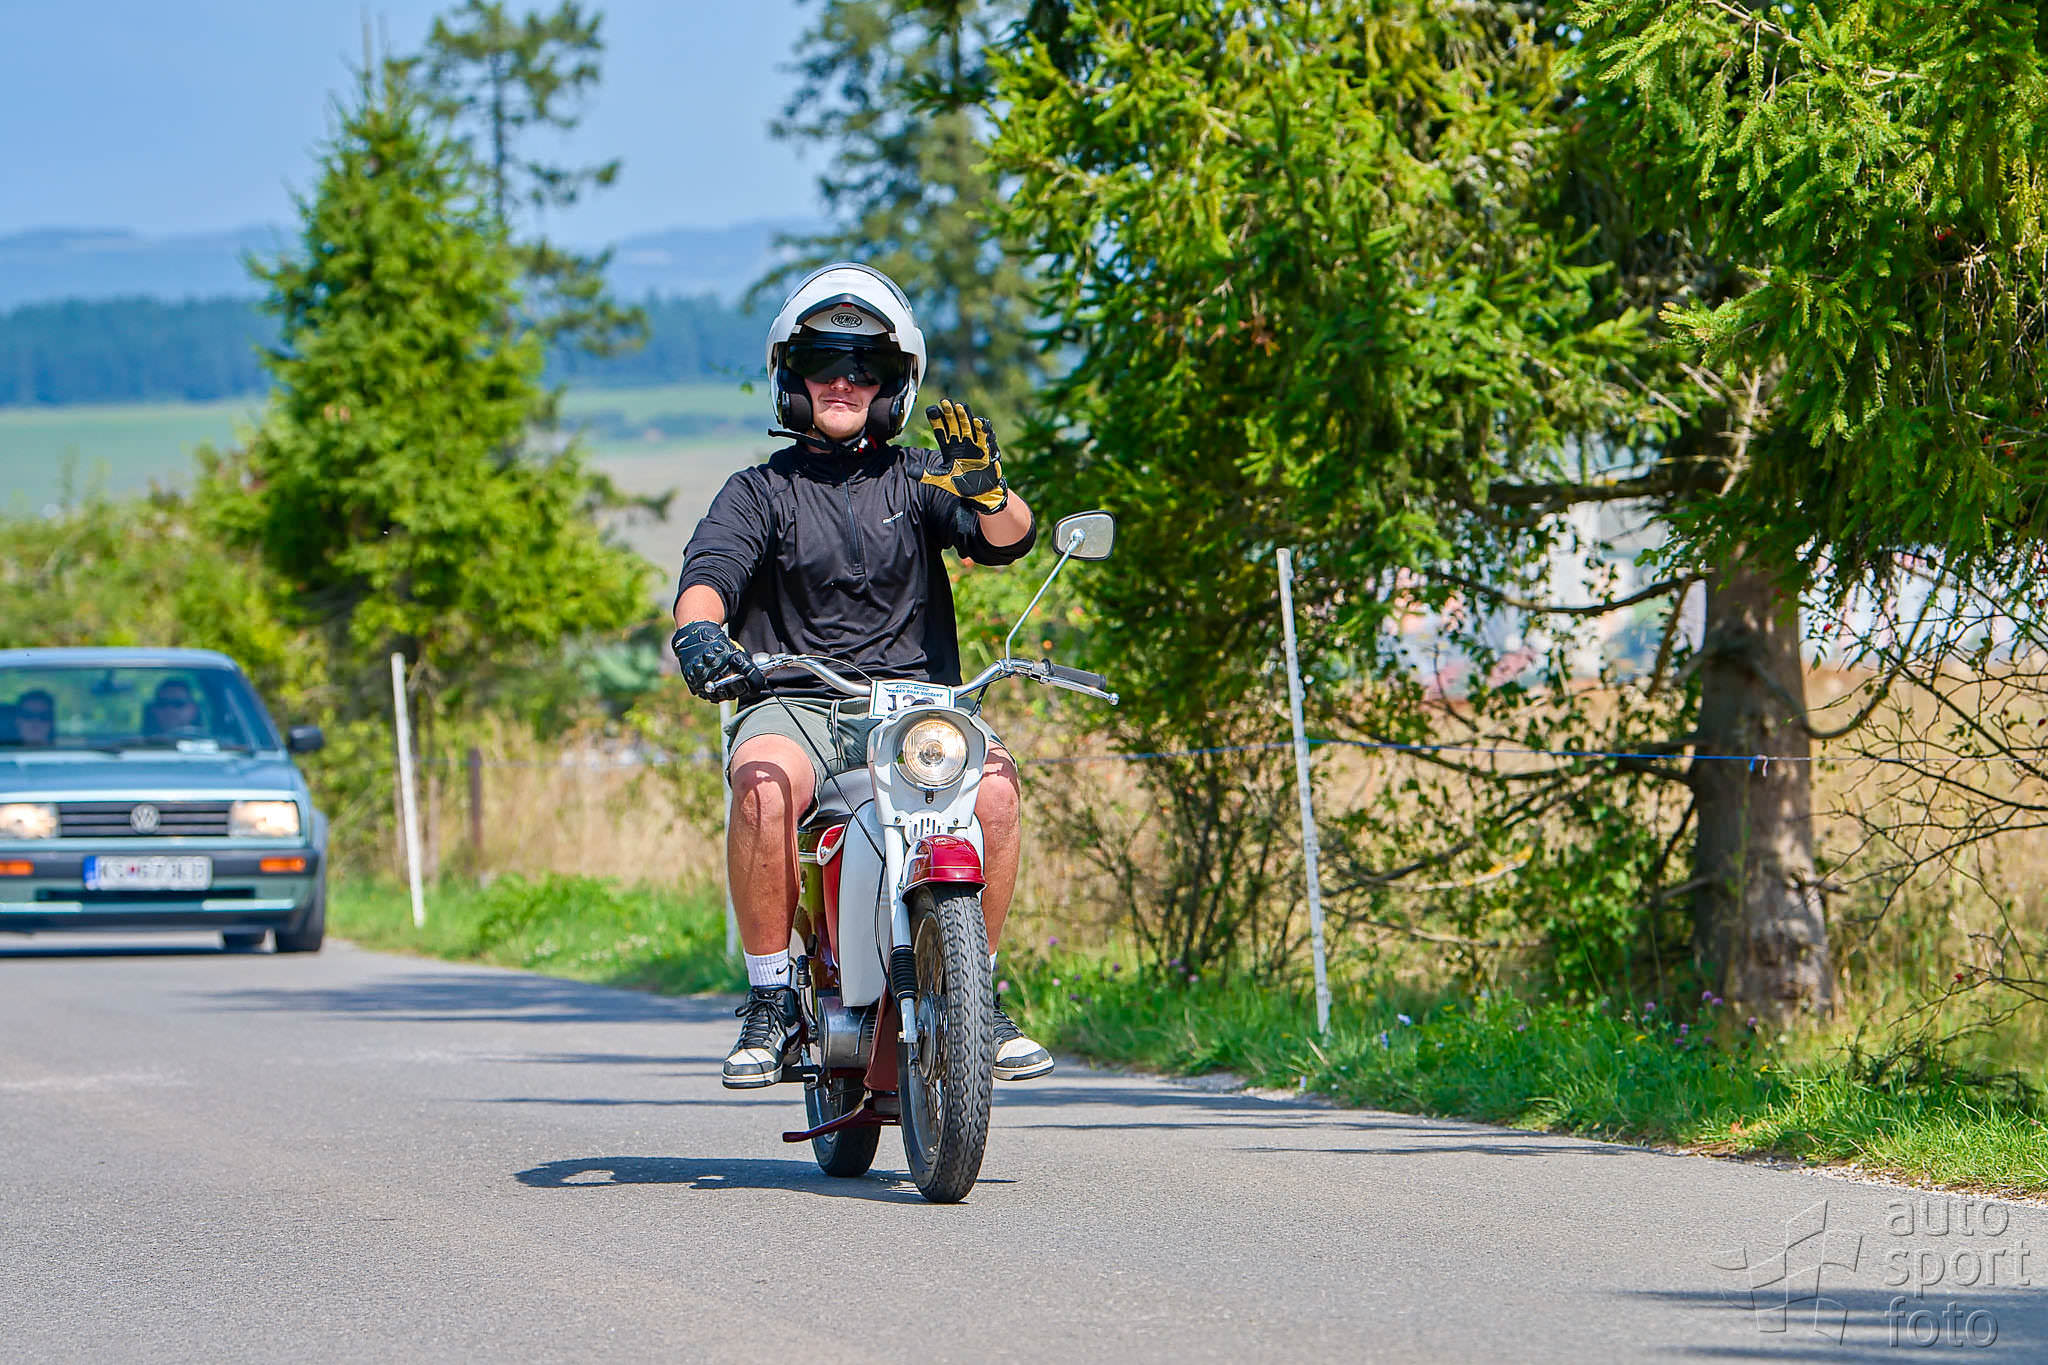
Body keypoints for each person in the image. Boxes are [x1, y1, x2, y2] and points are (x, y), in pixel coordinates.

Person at [672, 261, 1055, 1089]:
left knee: (995, 786)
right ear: (791, 377)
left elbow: (1009, 541)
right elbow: (708, 577)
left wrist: (990, 493)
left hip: (916, 707)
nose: (842, 382)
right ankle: (771, 998)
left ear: (893, 384)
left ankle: (979, 995)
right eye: (822, 363)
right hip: (799, 702)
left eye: (865, 367)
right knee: (762, 781)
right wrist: (699, 633)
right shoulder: (759, 492)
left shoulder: (920, 477)